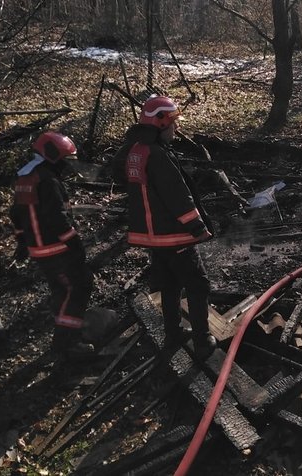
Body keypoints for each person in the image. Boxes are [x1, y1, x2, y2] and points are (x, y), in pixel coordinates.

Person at [119, 95, 216, 357]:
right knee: (198, 284)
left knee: (170, 285)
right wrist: (196, 226)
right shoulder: (158, 155)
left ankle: (173, 335)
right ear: (160, 124)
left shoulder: (135, 151)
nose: (176, 128)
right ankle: (203, 340)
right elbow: (177, 195)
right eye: (173, 123)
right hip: (173, 234)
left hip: (152, 236)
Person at [10, 131, 95, 360]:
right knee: (79, 286)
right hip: (56, 249)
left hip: (39, 249)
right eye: (66, 161)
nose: (67, 167)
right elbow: (58, 218)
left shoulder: (26, 177)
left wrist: (22, 242)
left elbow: (16, 214)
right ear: (54, 156)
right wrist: (75, 244)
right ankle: (66, 343)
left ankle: (65, 336)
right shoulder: (48, 181)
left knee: (62, 290)